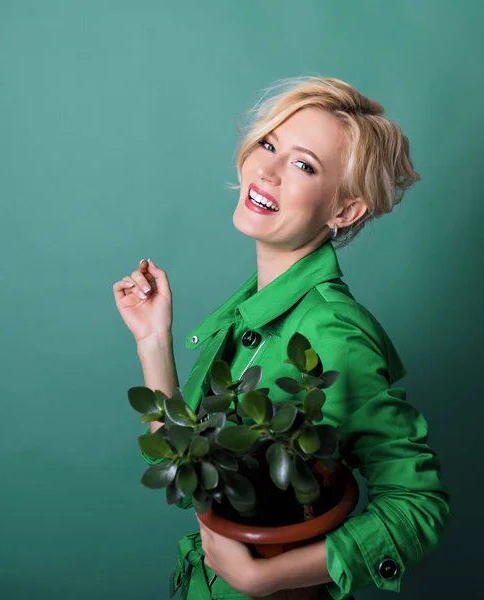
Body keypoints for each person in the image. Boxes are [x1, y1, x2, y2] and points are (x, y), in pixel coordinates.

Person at [112, 77, 450, 599]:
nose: (265, 170)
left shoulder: (331, 331)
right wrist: (153, 340)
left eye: (303, 164)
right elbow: (191, 472)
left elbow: (418, 505)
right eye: (269, 144)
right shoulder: (253, 309)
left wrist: (263, 576)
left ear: (344, 210)